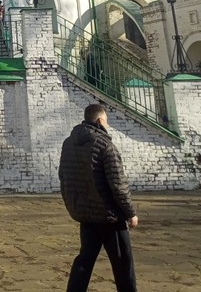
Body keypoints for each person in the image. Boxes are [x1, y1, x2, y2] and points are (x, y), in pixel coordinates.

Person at [59, 103, 138, 292]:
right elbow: (118, 185)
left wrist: (74, 205)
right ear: (101, 120)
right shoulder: (105, 145)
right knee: (123, 264)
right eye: (107, 122)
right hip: (110, 217)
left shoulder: (68, 143)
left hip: (86, 215)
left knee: (84, 261)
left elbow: (64, 176)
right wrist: (130, 213)